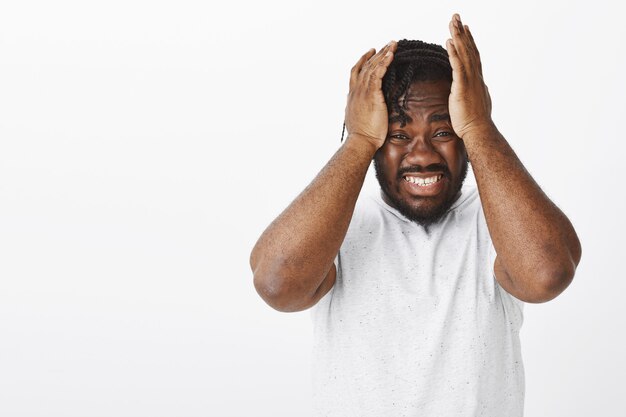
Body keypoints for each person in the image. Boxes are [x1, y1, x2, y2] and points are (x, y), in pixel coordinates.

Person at [249, 13, 581, 417]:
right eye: (397, 135)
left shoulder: (497, 219)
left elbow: (547, 274)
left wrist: (479, 125)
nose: (422, 156)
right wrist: (358, 140)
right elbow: (276, 283)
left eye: (443, 132)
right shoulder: (338, 222)